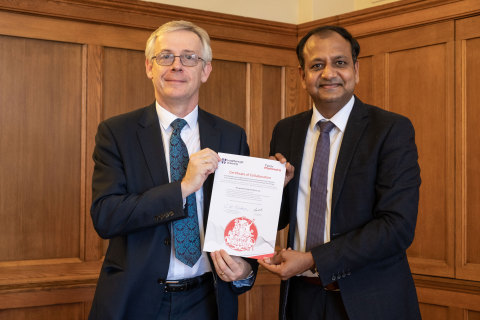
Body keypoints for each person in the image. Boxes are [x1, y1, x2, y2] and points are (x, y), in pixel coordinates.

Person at [89, 20, 256, 320]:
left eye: (189, 57)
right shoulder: (117, 133)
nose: (177, 66)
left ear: (205, 70)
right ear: (149, 67)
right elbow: (106, 215)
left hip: (209, 301)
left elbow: (243, 220)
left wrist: (245, 269)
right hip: (136, 301)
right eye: (166, 56)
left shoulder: (231, 136)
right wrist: (182, 188)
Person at [260, 25, 422, 319]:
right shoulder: (286, 131)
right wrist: (274, 188)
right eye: (317, 65)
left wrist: (313, 259)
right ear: (302, 75)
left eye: (340, 62)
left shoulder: (390, 130)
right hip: (300, 298)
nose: (329, 73)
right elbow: (280, 215)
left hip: (369, 301)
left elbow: (397, 226)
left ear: (356, 70)